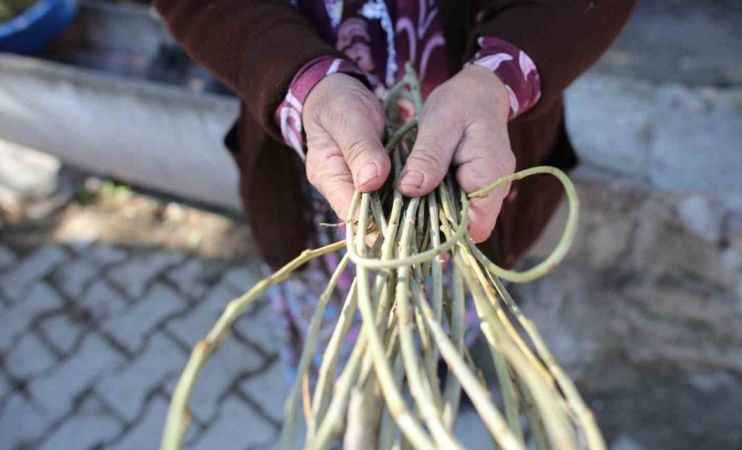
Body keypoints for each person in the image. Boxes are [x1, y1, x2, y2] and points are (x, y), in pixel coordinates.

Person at [154, 0, 637, 369]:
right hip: (319, 192)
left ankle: (440, 369)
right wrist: (301, 82)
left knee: (451, 322)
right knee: (338, 354)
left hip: (473, 182)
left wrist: (498, 79)